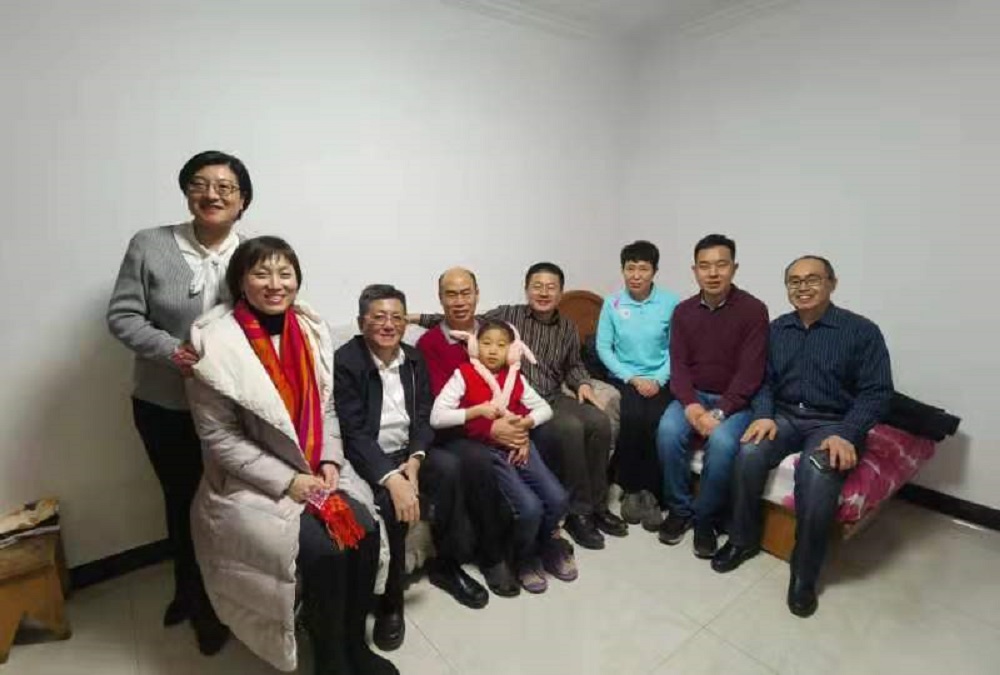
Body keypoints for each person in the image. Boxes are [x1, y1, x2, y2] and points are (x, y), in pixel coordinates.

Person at [186, 236, 396, 674]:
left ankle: (354, 645)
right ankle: (330, 656)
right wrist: (290, 481)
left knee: (365, 531)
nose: (275, 284)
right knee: (323, 551)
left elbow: (327, 406)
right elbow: (220, 437)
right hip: (255, 480)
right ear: (241, 281)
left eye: (285, 273)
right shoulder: (215, 343)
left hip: (318, 465)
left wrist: (330, 460)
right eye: (261, 273)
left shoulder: (310, 329)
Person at [106, 150, 251, 652]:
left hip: (233, 408)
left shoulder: (253, 253)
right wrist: (176, 353)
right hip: (164, 404)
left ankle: (228, 595)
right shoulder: (149, 245)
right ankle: (193, 595)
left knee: (228, 504)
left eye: (225, 187)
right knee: (183, 501)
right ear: (187, 192)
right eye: (200, 184)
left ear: (242, 201)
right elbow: (123, 316)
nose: (212, 194)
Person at [712, 255, 893, 619]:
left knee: (818, 472)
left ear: (832, 283)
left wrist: (848, 433)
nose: (803, 287)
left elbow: (877, 393)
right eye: (794, 281)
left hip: (834, 422)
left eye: (812, 279)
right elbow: (763, 381)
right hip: (785, 416)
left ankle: (804, 572)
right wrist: (764, 415)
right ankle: (743, 539)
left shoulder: (862, 331)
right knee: (749, 452)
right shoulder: (777, 329)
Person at [415, 262, 625, 552]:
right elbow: (456, 319)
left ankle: (595, 507)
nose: (544, 293)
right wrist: (407, 317)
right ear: (526, 290)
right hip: (504, 409)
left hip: (541, 397)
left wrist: (582, 384)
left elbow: (573, 364)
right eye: (537, 286)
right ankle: (572, 516)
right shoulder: (505, 317)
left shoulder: (559, 326)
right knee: (569, 429)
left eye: (551, 287)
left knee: (599, 421)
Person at [335, 284, 488, 652]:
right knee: (389, 505)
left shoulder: (414, 358)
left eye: (397, 317)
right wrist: (392, 479)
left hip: (410, 451)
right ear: (361, 322)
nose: (389, 325)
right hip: (370, 454)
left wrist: (415, 461)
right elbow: (353, 433)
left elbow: (423, 416)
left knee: (450, 468)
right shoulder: (346, 361)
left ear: (406, 322)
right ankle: (391, 601)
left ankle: (445, 565)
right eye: (379, 317)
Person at [430, 320, 572, 593]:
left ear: (512, 350)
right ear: (474, 346)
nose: (493, 350)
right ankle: (524, 558)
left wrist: (525, 425)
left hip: (520, 444)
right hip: (492, 451)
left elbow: (544, 408)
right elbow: (437, 417)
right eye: (486, 343)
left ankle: (545, 544)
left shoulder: (515, 377)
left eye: (501, 345)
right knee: (529, 508)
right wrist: (475, 411)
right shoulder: (463, 374)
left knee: (558, 498)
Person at [655, 235, 769, 557]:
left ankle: (706, 520)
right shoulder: (683, 311)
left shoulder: (754, 310)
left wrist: (719, 412)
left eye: (721, 265)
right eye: (705, 266)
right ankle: (679, 509)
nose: (713, 273)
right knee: (667, 431)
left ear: (734, 268)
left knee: (721, 442)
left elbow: (751, 372)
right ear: (695, 271)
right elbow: (678, 365)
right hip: (693, 395)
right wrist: (691, 405)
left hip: (735, 402)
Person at [415, 267, 519, 596]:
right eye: (451, 294)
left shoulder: (491, 332)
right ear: (440, 299)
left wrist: (519, 424)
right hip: (453, 430)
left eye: (465, 293)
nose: (459, 301)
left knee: (545, 433)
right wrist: (490, 428)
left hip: (496, 417)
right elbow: (440, 405)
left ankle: (543, 535)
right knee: (476, 460)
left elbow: (512, 382)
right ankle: (491, 557)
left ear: (477, 295)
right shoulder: (429, 343)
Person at [597, 240, 681, 532]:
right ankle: (631, 489)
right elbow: (603, 348)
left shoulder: (670, 303)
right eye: (630, 268)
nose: (635, 275)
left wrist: (658, 380)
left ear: (654, 271)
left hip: (660, 377)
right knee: (632, 416)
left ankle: (652, 492)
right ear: (622, 270)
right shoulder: (612, 303)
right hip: (626, 377)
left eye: (643, 268)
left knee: (657, 419)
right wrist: (632, 378)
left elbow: (677, 348)